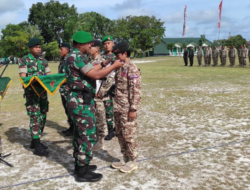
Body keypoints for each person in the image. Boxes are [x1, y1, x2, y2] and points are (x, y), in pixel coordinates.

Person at [64, 31, 124, 182]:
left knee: (80, 134)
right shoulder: (75, 57)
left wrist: (104, 63)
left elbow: (91, 68)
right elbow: (95, 75)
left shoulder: (77, 56)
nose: (90, 46)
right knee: (86, 135)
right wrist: (114, 66)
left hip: (81, 99)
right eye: (88, 43)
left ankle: (81, 165)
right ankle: (82, 172)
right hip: (80, 101)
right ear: (79, 44)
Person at [111, 42, 141, 173]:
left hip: (127, 108)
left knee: (129, 135)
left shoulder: (132, 68)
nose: (116, 57)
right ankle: (125, 157)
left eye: (117, 54)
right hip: (118, 107)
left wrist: (133, 109)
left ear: (124, 53)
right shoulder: (119, 67)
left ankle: (133, 161)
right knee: (120, 134)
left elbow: (135, 90)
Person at [18, 38, 50, 156]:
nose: (39, 49)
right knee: (35, 117)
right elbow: (23, 79)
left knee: (43, 115)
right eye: (36, 47)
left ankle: (35, 140)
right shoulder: (24, 60)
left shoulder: (43, 60)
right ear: (30, 48)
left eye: (40, 47)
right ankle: (36, 145)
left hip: (43, 94)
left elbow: (48, 76)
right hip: (32, 94)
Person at [88, 39, 112, 151]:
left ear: (97, 48)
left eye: (91, 47)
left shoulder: (103, 60)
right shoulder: (88, 60)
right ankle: (94, 138)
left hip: (98, 95)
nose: (89, 49)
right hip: (89, 94)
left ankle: (100, 141)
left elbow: (110, 77)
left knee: (100, 118)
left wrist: (101, 92)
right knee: (92, 118)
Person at [100, 35, 116, 140]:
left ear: (113, 44)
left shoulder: (117, 56)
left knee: (120, 109)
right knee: (108, 108)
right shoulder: (101, 57)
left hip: (117, 86)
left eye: (108, 43)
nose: (107, 45)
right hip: (105, 86)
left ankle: (118, 129)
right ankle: (110, 131)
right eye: (105, 44)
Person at [58, 43, 74, 136]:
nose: (60, 51)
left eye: (61, 49)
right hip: (63, 89)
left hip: (68, 89)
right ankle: (71, 127)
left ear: (67, 50)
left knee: (71, 109)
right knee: (67, 109)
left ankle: (74, 128)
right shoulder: (62, 61)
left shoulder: (70, 60)